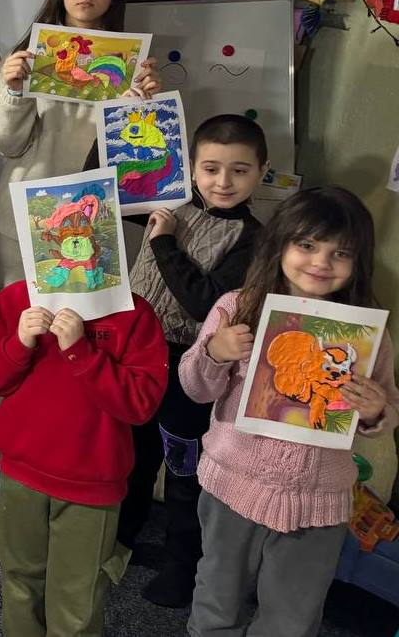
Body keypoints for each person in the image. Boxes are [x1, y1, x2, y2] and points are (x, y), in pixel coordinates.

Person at [180, 187, 399, 637]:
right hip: (233, 484)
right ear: (280, 244)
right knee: (217, 599)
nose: (321, 262)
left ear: (358, 261)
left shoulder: (365, 331)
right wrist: (215, 352)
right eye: (307, 245)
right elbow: (195, 388)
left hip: (318, 501)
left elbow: (385, 411)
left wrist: (376, 410)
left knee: (293, 617)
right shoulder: (237, 307)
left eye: (341, 253)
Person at [117, 115, 268, 607]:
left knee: (183, 467)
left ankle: (182, 564)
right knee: (133, 452)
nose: (223, 182)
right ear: (191, 167)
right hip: (136, 352)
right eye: (211, 168)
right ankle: (121, 535)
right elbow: (104, 181)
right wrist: (123, 112)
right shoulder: (169, 201)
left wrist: (164, 242)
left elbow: (205, 302)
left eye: (239, 170)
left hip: (190, 366)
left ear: (261, 172)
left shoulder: (254, 239)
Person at [0, 274, 168, 637]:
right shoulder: (16, 299)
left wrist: (81, 352)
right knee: (19, 582)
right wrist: (19, 342)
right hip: (20, 474)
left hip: (92, 486)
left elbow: (140, 405)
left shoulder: (133, 314)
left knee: (77, 598)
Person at [0, 0, 161, 287]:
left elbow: (138, 161)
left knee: (85, 312)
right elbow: (5, 145)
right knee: (20, 310)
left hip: (95, 217)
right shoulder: (24, 58)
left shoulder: (132, 66)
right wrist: (15, 91)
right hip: (29, 214)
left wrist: (143, 108)